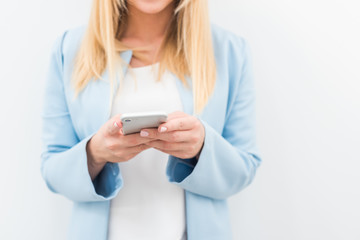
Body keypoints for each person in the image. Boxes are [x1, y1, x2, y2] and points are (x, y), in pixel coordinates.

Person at [41, 0, 262, 239]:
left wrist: (202, 147)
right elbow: (53, 170)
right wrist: (95, 153)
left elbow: (243, 170)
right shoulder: (69, 49)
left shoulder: (230, 51)